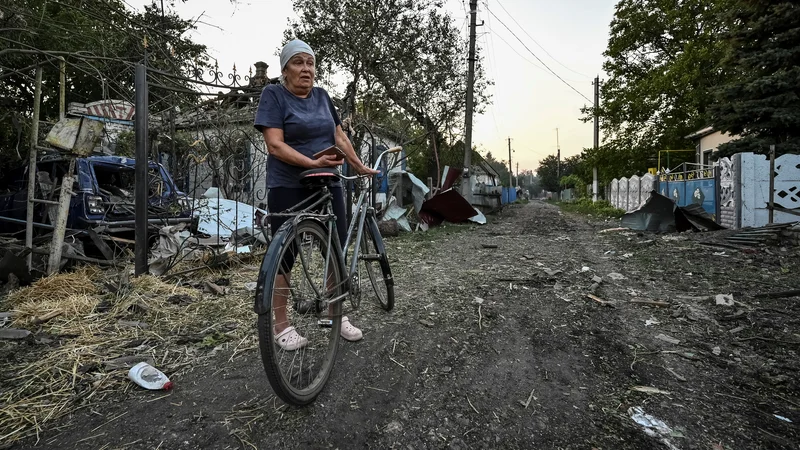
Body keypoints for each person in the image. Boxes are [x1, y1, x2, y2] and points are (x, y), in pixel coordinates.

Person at [254, 39, 378, 350]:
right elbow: (275, 145)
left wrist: (359, 165)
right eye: (298, 62)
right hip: (287, 184)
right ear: (285, 69)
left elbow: (339, 135)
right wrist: (311, 162)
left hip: (328, 182)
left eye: (310, 63)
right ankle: (281, 325)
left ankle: (333, 313)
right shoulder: (273, 95)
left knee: (334, 249)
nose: (306, 69)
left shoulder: (322, 97)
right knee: (285, 255)